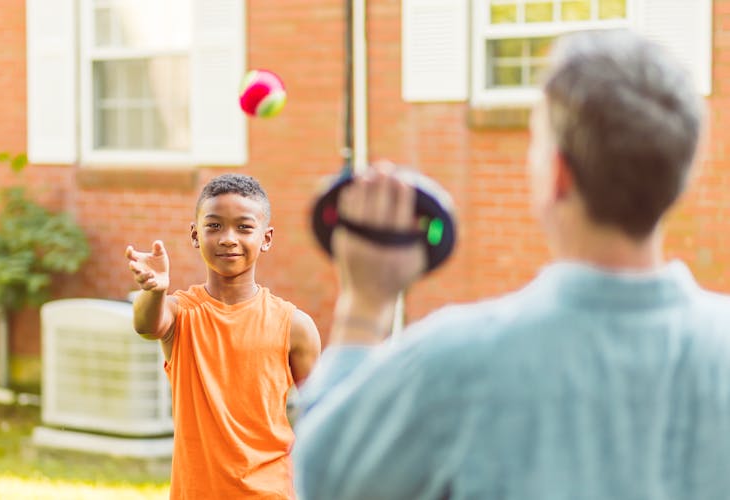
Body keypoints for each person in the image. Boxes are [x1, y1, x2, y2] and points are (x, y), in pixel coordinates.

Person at [292, 29, 730, 499]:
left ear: (557, 175)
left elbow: (326, 476)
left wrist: (364, 307)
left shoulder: (456, 362)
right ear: (680, 177)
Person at [125, 173, 321, 499]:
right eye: (214, 226)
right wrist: (154, 290)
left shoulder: (295, 325)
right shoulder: (180, 313)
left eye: (244, 227)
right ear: (195, 234)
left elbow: (321, 413)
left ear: (266, 238)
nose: (228, 238)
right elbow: (146, 324)